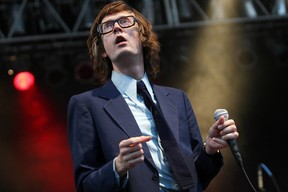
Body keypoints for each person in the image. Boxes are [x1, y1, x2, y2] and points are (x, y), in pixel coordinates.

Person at [67, 1, 239, 192]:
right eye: (107, 27)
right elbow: (85, 185)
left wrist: (210, 150)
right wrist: (118, 166)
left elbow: (195, 177)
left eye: (125, 22)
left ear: (142, 37)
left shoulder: (177, 99)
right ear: (104, 51)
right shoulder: (87, 104)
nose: (116, 28)